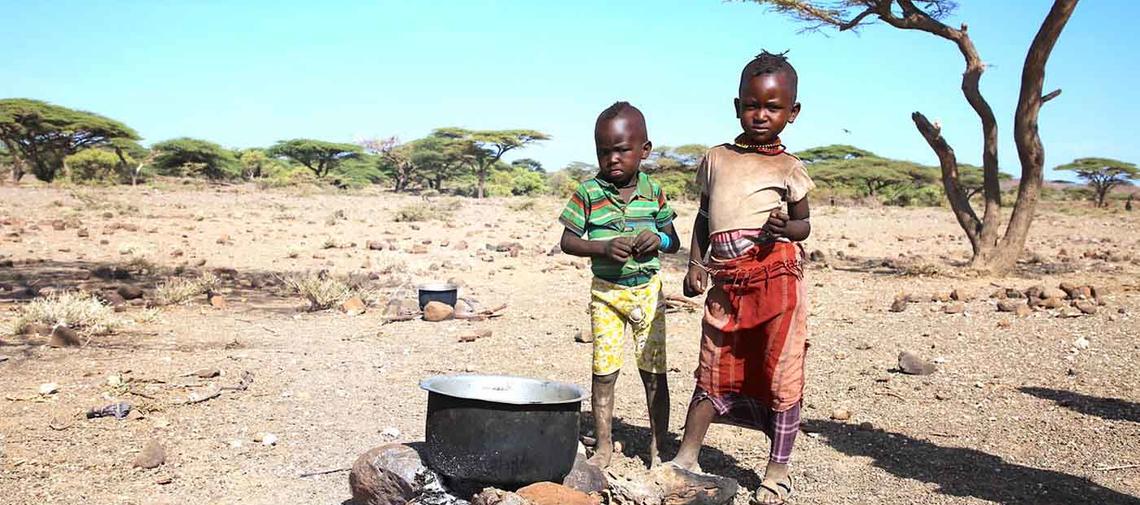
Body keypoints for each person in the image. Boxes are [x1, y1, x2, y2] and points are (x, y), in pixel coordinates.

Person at [667, 51, 815, 505]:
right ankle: (686, 456)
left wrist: (785, 227)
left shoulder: (790, 167)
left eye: (773, 107)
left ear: (793, 112)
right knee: (714, 363)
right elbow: (703, 216)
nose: (761, 115)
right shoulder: (717, 158)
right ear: (737, 106)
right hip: (727, 283)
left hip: (776, 282)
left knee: (779, 369)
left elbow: (804, 225)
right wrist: (696, 264)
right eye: (752, 105)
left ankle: (777, 469)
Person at [558, 101, 681, 468]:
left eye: (622, 150)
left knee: (654, 371)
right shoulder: (588, 192)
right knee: (604, 371)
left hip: (648, 293)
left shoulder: (654, 191)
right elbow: (568, 241)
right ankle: (604, 447)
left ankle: (659, 448)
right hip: (606, 295)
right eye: (603, 151)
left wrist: (658, 239)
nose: (612, 159)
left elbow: (674, 240)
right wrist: (602, 247)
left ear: (644, 150)